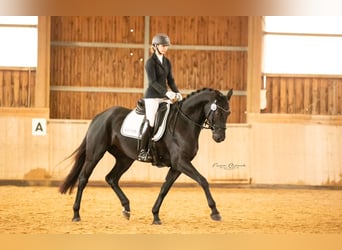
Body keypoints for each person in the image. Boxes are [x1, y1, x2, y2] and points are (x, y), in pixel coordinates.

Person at [138, 33, 182, 162]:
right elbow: (152, 82)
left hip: (164, 96)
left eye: (166, 46)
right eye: (163, 46)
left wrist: (177, 92)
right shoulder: (150, 62)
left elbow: (171, 80)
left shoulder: (167, 62)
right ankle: (142, 151)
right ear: (156, 46)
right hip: (152, 97)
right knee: (151, 121)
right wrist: (166, 93)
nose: (165, 48)